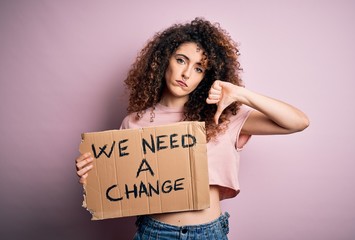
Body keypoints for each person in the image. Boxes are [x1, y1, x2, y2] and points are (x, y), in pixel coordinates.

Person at [75, 17, 309, 239]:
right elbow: (124, 185)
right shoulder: (134, 122)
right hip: (154, 232)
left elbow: (297, 122)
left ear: (206, 77)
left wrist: (241, 94)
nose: (187, 73)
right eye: (181, 60)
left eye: (199, 69)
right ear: (163, 60)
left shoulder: (223, 117)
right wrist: (94, 174)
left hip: (209, 233)